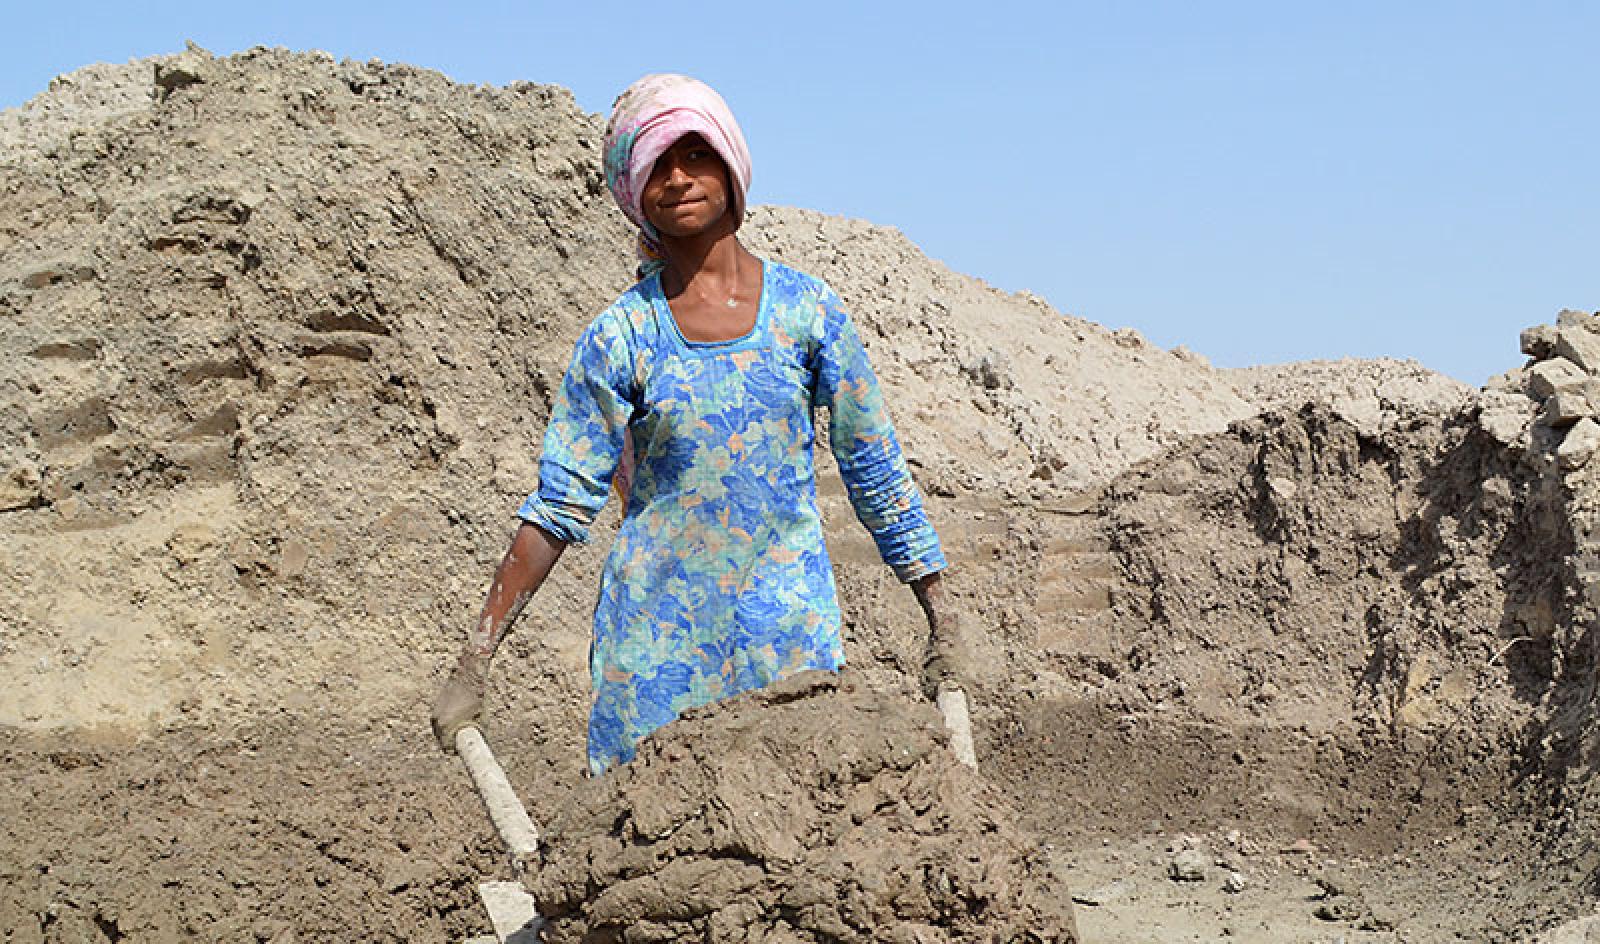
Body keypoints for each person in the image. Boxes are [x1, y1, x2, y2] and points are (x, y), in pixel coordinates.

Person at [430, 73, 960, 775]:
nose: (679, 179)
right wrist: (476, 658)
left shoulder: (809, 313)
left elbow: (872, 465)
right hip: (653, 657)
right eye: (658, 167)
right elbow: (559, 507)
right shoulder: (622, 337)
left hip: (786, 644)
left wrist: (941, 613)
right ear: (635, 194)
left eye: (697, 156)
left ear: (732, 168)